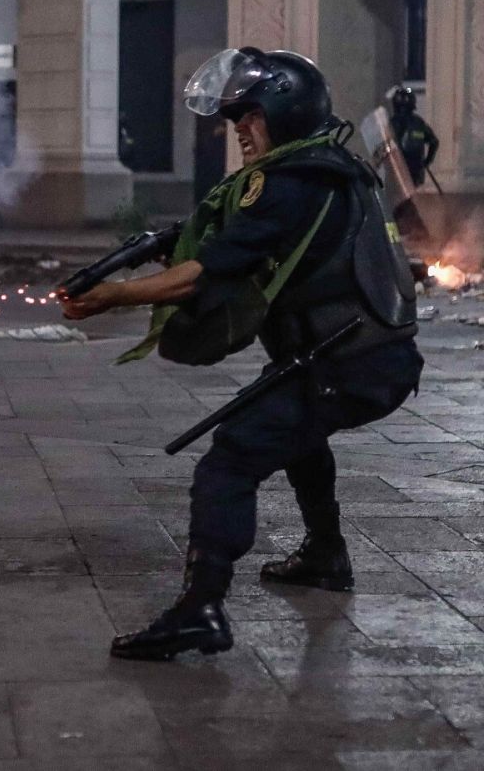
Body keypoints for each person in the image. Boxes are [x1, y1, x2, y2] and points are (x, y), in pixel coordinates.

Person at [62, 48, 422, 661]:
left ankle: (200, 610)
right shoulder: (327, 166)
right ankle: (325, 554)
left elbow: (202, 276)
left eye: (247, 119)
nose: (240, 134)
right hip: (370, 356)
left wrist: (113, 296)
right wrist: (159, 248)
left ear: (283, 113)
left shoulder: (289, 184)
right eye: (234, 122)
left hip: (347, 362)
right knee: (298, 434)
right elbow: (236, 236)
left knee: (227, 464)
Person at [390, 85, 439, 189]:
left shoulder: (391, 124)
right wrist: (427, 161)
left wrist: (426, 161)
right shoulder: (418, 123)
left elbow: (434, 142)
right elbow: (434, 142)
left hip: (402, 170)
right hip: (407, 170)